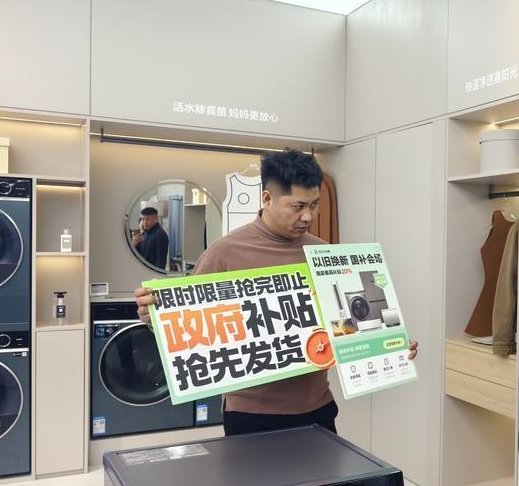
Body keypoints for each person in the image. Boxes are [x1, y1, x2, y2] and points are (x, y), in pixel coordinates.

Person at [135, 149, 418, 436]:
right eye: (298, 206)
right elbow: (185, 328)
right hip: (250, 413)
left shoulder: (324, 254)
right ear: (267, 199)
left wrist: (387, 345)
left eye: (314, 205)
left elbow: (349, 326)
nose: (308, 216)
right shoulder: (224, 254)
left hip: (317, 406)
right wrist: (154, 317)